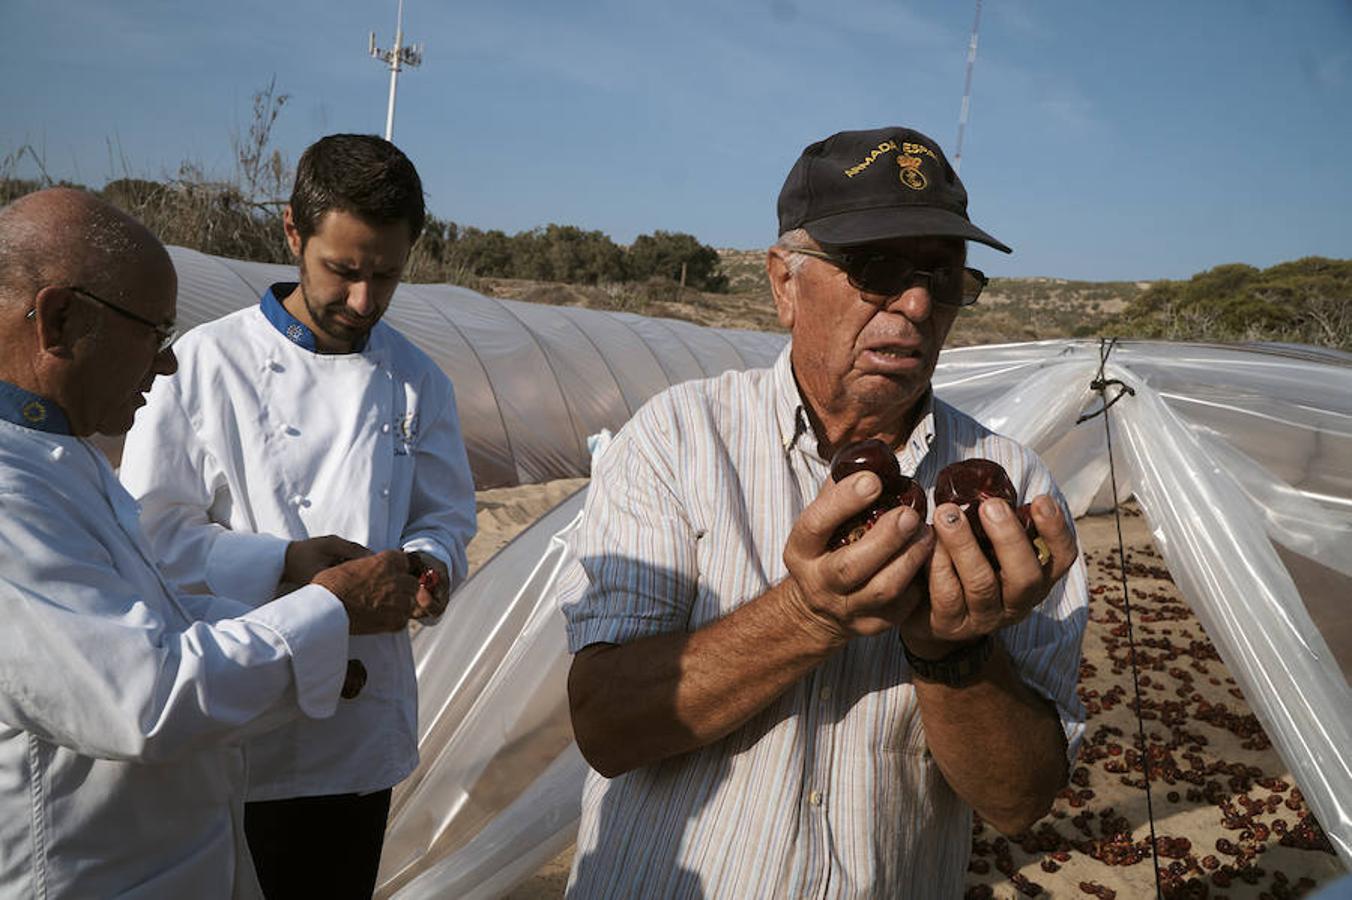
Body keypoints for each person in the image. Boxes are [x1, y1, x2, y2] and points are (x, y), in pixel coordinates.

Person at [558, 127, 1090, 897]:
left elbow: (1019, 801)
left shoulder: (1010, 486)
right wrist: (809, 614)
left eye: (942, 277)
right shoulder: (678, 438)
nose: (914, 304)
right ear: (783, 283)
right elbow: (606, 727)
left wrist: (954, 654)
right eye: (877, 269)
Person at [0, 187, 423, 898]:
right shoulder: (12, 497)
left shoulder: (61, 458)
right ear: (60, 319)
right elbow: (147, 691)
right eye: (151, 332)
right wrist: (324, 609)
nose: (163, 364)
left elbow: (149, 616)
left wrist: (318, 642)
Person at [120, 133, 477, 898]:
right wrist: (284, 564)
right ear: (292, 232)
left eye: (386, 276)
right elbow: (152, 537)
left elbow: (446, 516)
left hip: (359, 735)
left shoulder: (419, 381)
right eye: (343, 271)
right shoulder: (201, 367)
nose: (363, 301)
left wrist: (430, 565)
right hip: (238, 727)